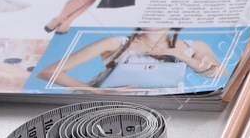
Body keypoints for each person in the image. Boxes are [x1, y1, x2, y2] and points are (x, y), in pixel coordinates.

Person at [34, 27, 222, 91]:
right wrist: (96, 92)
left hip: (160, 112)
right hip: (105, 106)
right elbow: (48, 72)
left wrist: (181, 56)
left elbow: (217, 73)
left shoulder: (194, 46)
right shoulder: (115, 42)